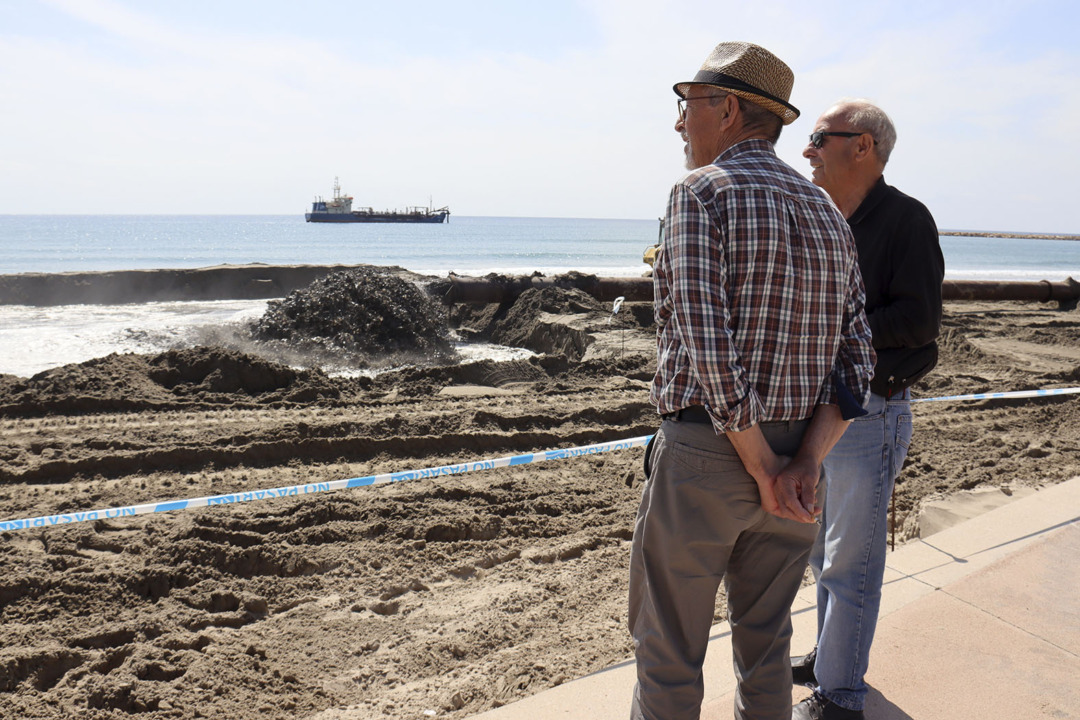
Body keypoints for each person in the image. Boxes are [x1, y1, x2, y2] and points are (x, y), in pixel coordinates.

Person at [628, 42, 876, 720]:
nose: (681, 122)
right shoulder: (830, 212)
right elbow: (858, 363)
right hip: (799, 462)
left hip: (709, 456)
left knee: (668, 651)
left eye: (689, 105)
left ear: (730, 109)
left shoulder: (700, 193)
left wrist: (766, 465)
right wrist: (801, 463)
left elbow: (709, 350)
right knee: (767, 646)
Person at [791, 100, 945, 720]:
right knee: (824, 554)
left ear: (863, 146)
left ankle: (841, 694)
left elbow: (920, 322)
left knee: (852, 561)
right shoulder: (822, 215)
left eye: (819, 137)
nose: (807, 149)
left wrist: (830, 332)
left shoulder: (907, 219)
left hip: (871, 411)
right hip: (817, 413)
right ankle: (832, 659)